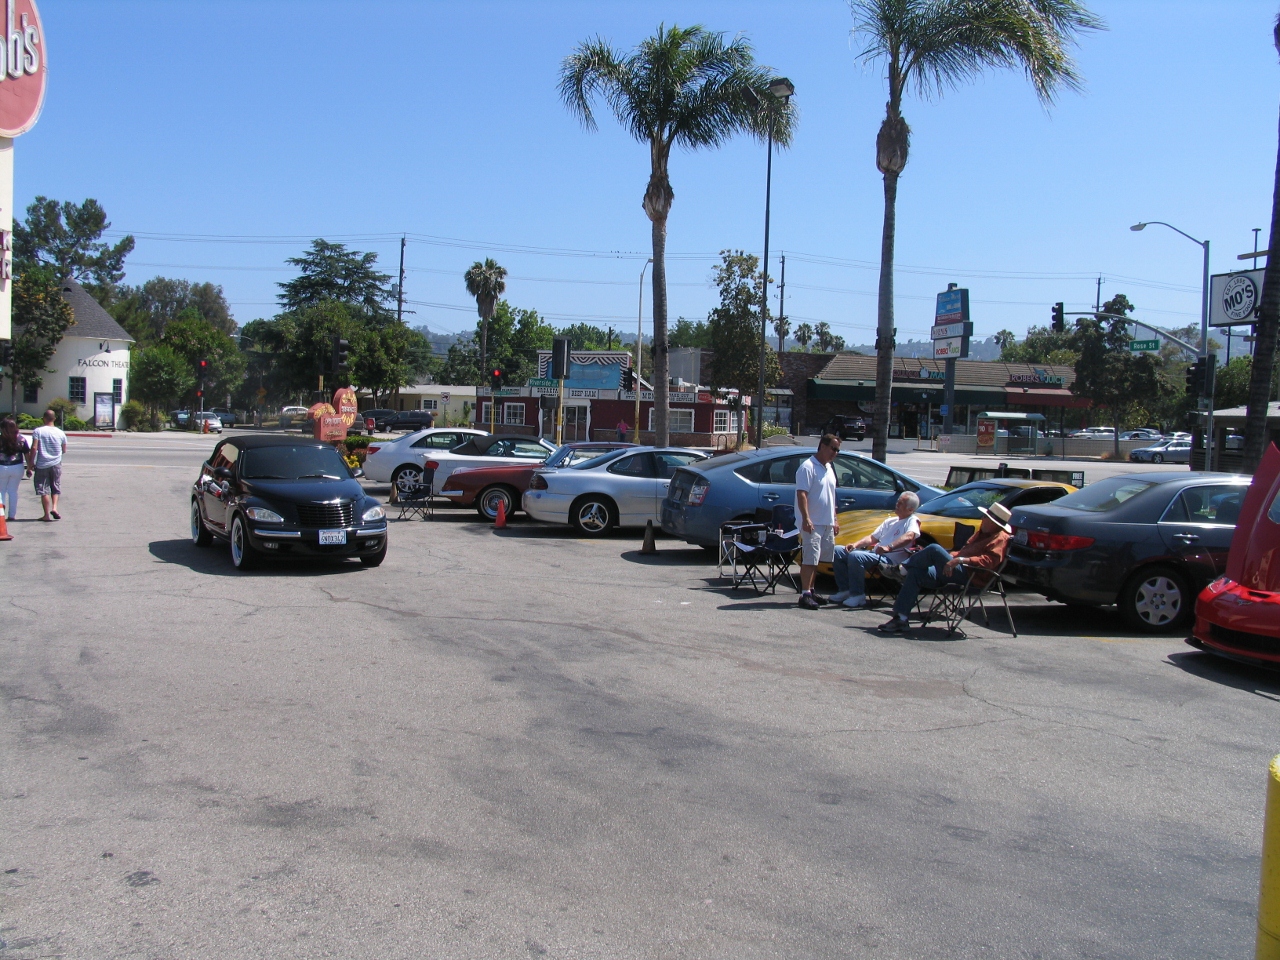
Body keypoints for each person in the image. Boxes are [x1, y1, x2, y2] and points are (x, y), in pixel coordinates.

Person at [878, 502, 1013, 634]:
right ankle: (901, 619)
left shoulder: (1000, 538)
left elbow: (988, 562)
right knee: (916, 572)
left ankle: (901, 570)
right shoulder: (981, 533)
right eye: (984, 516)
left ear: (995, 524)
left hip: (971, 577)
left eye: (986, 518)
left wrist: (958, 560)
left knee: (934, 549)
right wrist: (950, 557)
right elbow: (962, 552)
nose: (982, 519)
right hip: (955, 570)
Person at [829, 491, 921, 609]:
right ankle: (845, 590)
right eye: (897, 501)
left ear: (910, 509)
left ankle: (858, 595)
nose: (897, 504)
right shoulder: (890, 521)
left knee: (856, 556)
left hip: (890, 560)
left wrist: (889, 547)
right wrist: (855, 544)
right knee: (838, 551)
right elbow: (872, 538)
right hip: (875, 554)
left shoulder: (912, 520)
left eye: (901, 503)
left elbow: (910, 536)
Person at [794, 433, 842, 610]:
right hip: (812, 522)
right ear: (822, 446)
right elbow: (802, 494)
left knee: (819, 559)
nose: (835, 453)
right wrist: (806, 518)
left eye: (837, 450)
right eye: (833, 448)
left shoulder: (829, 468)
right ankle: (804, 594)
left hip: (826, 521)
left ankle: (812, 591)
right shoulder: (807, 467)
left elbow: (831, 496)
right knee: (810, 558)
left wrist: (835, 519)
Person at [30, 409, 67, 522]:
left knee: (43, 489)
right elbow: (64, 449)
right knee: (55, 486)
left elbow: (34, 447)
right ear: (54, 419)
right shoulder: (61, 433)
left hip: (42, 464)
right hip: (56, 464)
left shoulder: (38, 431)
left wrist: (31, 462)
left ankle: (46, 514)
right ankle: (55, 508)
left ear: (44, 418)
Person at [0, 417, 31, 521]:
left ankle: (1, 513)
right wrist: (29, 468)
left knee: (1, 491)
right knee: (13, 491)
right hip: (17, 467)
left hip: (1, 466)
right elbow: (27, 454)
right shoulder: (21, 439)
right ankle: (12, 515)